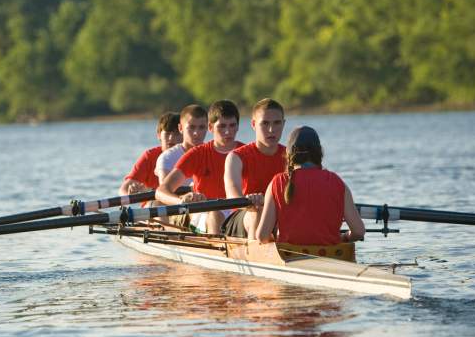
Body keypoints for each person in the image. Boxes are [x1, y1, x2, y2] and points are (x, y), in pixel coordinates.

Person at [254, 125, 365, 245]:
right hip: (331, 255)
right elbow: (359, 232)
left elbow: (262, 237)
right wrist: (345, 237)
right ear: (319, 152)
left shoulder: (277, 182)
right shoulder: (336, 181)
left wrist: (275, 240)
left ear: (288, 153)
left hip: (289, 257)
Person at [156, 99, 243, 234]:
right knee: (215, 214)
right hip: (204, 212)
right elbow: (161, 191)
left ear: (238, 126)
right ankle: (218, 250)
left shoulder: (246, 152)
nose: (227, 132)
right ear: (211, 127)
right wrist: (181, 200)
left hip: (238, 212)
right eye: (222, 126)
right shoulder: (197, 154)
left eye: (232, 126)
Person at [222, 98, 287, 239]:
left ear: (283, 124)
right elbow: (233, 196)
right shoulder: (236, 157)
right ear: (253, 124)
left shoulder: (291, 157)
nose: (271, 129)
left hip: (277, 216)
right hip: (243, 215)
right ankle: (256, 255)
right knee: (257, 211)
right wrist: (250, 202)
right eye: (265, 123)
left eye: (277, 123)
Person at [119, 112, 182, 195]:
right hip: (153, 203)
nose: (171, 138)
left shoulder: (193, 154)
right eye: (167, 133)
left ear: (183, 134)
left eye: (176, 134)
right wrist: (131, 192)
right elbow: (123, 189)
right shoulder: (149, 156)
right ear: (159, 135)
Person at [154, 104, 208, 187]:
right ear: (180, 128)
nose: (196, 133)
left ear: (208, 128)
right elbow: (163, 192)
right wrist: (182, 198)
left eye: (201, 127)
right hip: (180, 199)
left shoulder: (213, 153)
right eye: (192, 127)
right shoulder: (167, 157)